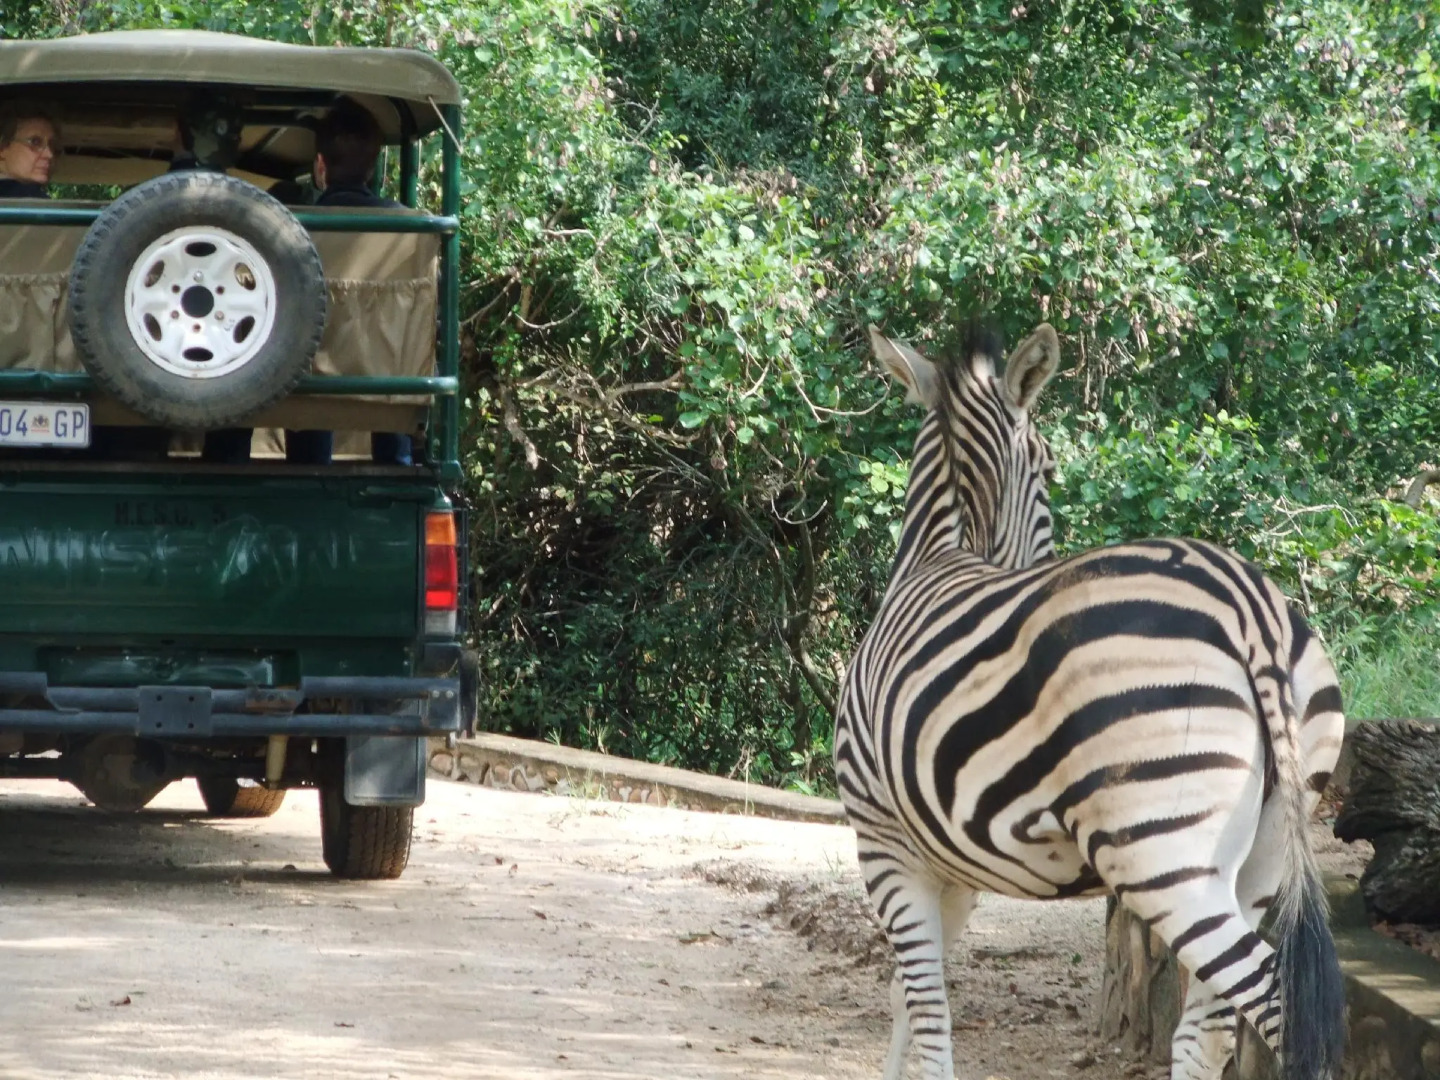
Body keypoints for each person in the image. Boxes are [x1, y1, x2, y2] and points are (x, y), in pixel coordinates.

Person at [204, 98, 415, 467]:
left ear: (320, 166)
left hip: (295, 379)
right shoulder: (410, 230)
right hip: (383, 383)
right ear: (371, 167)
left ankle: (230, 473)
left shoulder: (280, 230)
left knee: (290, 351)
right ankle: (396, 465)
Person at [0, 101, 59, 198]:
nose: (49, 154)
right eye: (35, 142)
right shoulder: (34, 201)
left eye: (51, 145)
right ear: (2, 148)